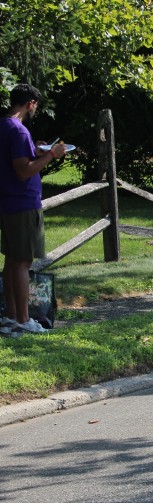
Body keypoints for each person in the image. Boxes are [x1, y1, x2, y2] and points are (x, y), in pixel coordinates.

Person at [1, 83, 65, 336]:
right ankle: (23, 320)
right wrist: (51, 155)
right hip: (23, 203)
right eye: (35, 105)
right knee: (22, 262)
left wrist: (37, 151)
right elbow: (23, 170)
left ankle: (10, 317)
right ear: (30, 103)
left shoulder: (4, 126)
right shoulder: (18, 130)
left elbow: (18, 159)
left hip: (8, 202)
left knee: (11, 260)